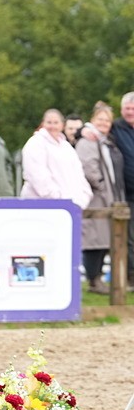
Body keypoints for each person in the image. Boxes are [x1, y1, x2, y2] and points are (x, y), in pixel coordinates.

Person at [76, 102, 125, 294]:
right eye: (100, 119)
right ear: (93, 120)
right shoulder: (88, 140)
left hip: (108, 196)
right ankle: (93, 280)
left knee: (103, 240)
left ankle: (97, 280)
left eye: (107, 120)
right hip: (96, 197)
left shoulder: (105, 141)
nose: (104, 123)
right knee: (94, 240)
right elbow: (89, 167)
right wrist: (103, 187)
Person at [19, 109, 91, 210]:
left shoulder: (66, 147)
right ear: (43, 124)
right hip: (41, 207)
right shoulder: (35, 143)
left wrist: (83, 198)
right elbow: (38, 178)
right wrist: (59, 200)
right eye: (49, 122)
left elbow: (79, 175)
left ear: (62, 125)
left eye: (56, 122)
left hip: (70, 209)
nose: (52, 126)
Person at [105, 92, 134, 291]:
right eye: (127, 108)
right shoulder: (115, 128)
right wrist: (82, 132)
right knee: (129, 239)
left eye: (133, 109)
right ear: (122, 109)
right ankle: (131, 277)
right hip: (127, 193)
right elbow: (95, 130)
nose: (130, 112)